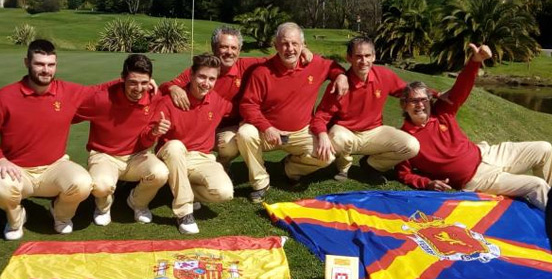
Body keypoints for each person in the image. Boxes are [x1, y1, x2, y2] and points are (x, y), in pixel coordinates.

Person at [0, 39, 107, 240]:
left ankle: (59, 215)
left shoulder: (67, 91)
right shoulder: (5, 96)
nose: (46, 70)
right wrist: (0, 159)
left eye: (51, 65)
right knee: (0, 189)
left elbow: (100, 90)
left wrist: (139, 81)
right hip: (18, 170)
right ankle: (17, 218)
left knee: (83, 183)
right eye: (39, 64)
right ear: (27, 62)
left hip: (55, 167)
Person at [396, 43, 552, 210]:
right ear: (404, 105)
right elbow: (403, 174)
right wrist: (427, 183)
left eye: (423, 100)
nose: (420, 105)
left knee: (545, 148)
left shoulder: (441, 112)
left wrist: (475, 61)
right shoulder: (405, 139)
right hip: (477, 178)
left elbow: (460, 89)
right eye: (414, 101)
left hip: (486, 153)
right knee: (537, 185)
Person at [159, 26, 313, 168]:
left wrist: (303, 50)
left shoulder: (245, 66)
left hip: (230, 127)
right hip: (203, 127)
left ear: (239, 50)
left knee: (229, 144)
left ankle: (222, 166)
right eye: (224, 47)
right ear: (214, 48)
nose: (229, 52)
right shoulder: (202, 70)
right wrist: (172, 87)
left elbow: (278, 58)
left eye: (234, 47)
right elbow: (165, 86)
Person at [237, 22, 349, 203]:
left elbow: (332, 66)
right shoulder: (262, 72)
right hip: (268, 133)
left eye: (294, 44)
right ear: (276, 46)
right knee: (245, 133)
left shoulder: (314, 65)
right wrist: (267, 127)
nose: (289, 49)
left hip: (300, 132)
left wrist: (341, 75)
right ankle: (260, 182)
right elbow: (248, 105)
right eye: (284, 43)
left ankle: (290, 169)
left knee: (326, 156)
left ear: (303, 46)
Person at [73, 54, 169, 226]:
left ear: (150, 81)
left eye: (144, 83)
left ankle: (137, 203)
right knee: (102, 185)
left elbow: (146, 143)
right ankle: (103, 207)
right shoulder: (102, 99)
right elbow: (69, 113)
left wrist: (154, 132)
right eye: (132, 82)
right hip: (105, 155)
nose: (138, 88)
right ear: (122, 78)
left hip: (137, 156)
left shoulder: (154, 97)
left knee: (160, 173)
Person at [310, 37, 420, 184]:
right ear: (349, 58)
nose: (364, 61)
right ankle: (342, 167)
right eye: (358, 56)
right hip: (346, 132)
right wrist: (322, 135)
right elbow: (320, 117)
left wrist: (435, 94)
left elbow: (408, 91)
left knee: (411, 146)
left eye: (367, 56)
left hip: (374, 132)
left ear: (374, 56)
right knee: (336, 138)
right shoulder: (340, 85)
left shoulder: (384, 75)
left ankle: (371, 165)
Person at [149, 54, 234, 234]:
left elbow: (240, 111)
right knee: (175, 146)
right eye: (202, 77)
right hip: (171, 156)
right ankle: (184, 211)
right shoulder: (170, 99)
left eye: (212, 79)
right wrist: (168, 87)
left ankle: (183, 188)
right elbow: (149, 123)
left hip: (202, 158)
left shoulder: (217, 101)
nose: (206, 83)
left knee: (225, 192)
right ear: (192, 75)